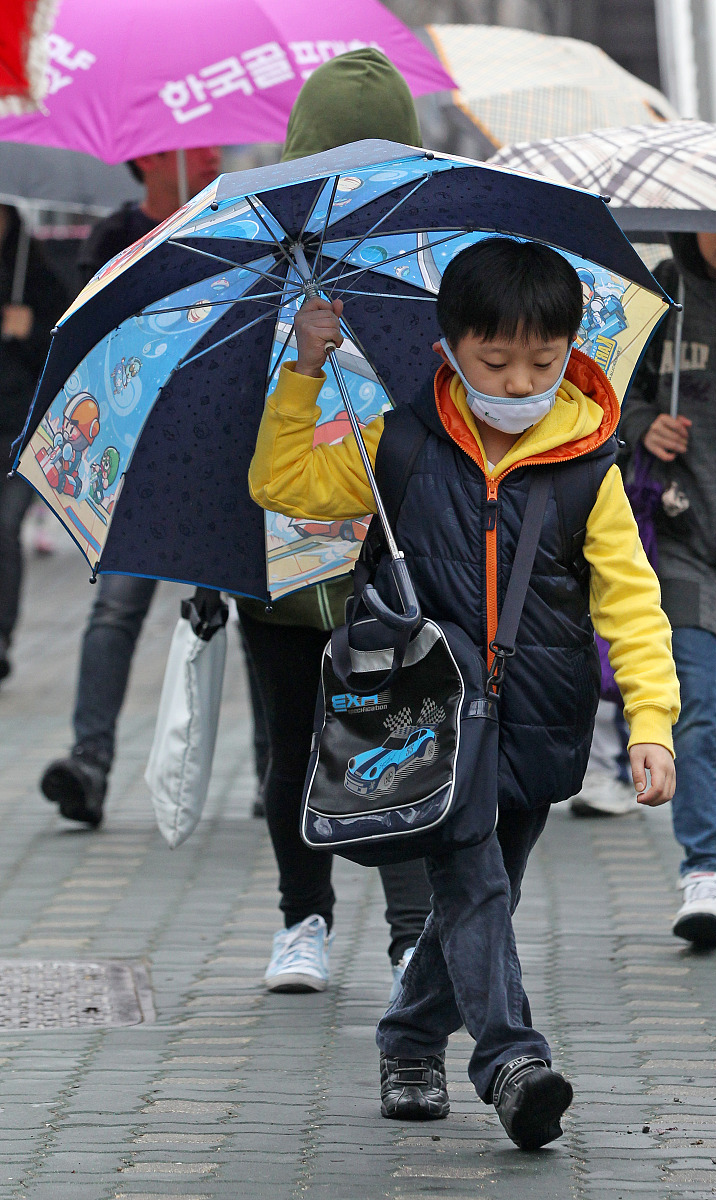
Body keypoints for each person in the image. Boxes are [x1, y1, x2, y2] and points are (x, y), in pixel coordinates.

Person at [250, 237, 679, 1148]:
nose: (520, 381)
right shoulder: (397, 445)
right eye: (496, 360)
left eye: (544, 360)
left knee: (482, 899)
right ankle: (511, 1064)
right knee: (475, 883)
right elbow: (279, 481)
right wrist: (303, 372)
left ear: (574, 352)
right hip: (427, 721)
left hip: (536, 722)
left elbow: (633, 604)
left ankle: (408, 1038)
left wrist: (652, 724)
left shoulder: (588, 471)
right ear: (450, 347)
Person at [235, 49, 433, 997]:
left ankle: (410, 933)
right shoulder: (247, 260)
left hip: (388, 555)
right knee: (290, 746)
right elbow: (214, 414)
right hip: (274, 560)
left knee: (395, 736)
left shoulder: (433, 257)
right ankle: (301, 918)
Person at [38, 148, 228, 825]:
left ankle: (275, 773)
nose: (212, 156)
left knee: (248, 608)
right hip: (136, 462)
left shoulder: (233, 221)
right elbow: (90, 332)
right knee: (116, 609)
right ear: (151, 159)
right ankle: (89, 763)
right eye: (198, 147)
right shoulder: (114, 237)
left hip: (217, 453)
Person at [620, 231, 716, 944]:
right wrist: (646, 424)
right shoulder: (664, 294)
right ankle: (703, 869)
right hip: (686, 541)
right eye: (714, 221)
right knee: (696, 713)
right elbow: (612, 392)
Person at [0, 205, 68, 682]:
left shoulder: (35, 272)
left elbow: (58, 346)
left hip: (19, 425)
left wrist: (24, 335)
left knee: (5, 529)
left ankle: (1, 636)